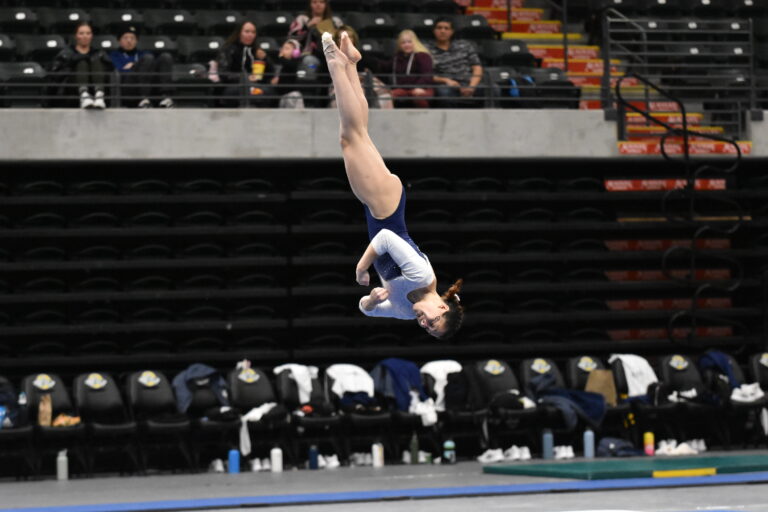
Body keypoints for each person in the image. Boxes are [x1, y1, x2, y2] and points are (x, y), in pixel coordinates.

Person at [320, 30, 464, 339]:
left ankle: (350, 63)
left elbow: (365, 309)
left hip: (378, 207)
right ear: (442, 308)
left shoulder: (401, 310)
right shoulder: (422, 276)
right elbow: (385, 239)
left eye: (427, 330)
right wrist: (361, 269)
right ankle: (335, 63)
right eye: (432, 323)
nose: (423, 324)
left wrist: (371, 300)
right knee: (350, 137)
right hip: (386, 208)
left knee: (358, 132)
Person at [109, 25, 174, 108]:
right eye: (125, 38)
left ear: (136, 41)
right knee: (148, 58)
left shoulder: (143, 53)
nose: (129, 41)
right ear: (119, 40)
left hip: (148, 85)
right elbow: (120, 72)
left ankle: (166, 97)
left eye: (132, 38)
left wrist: (134, 65)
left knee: (165, 57)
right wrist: (137, 66)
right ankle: (144, 98)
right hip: (129, 87)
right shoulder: (114, 55)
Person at [328, 26, 392, 109]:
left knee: (384, 94)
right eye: (341, 38)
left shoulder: (362, 55)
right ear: (336, 40)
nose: (345, 40)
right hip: (340, 82)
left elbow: (370, 71)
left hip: (362, 81)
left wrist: (364, 75)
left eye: (349, 37)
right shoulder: (331, 56)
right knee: (345, 95)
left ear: (354, 39)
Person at [425, 17, 484, 107]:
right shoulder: (426, 49)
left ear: (452, 32)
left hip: (469, 83)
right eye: (439, 28)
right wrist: (446, 80)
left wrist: (472, 86)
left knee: (493, 89)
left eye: (446, 28)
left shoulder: (465, 45)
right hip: (446, 85)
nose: (442, 31)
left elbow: (477, 67)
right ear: (434, 31)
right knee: (443, 92)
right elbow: (426, 74)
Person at [216, 21, 276, 107]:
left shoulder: (257, 51)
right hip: (235, 85)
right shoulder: (228, 49)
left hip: (257, 86)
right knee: (244, 91)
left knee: (268, 91)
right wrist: (245, 78)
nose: (250, 35)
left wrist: (265, 59)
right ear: (239, 33)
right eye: (247, 32)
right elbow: (223, 73)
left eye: (253, 32)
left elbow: (271, 73)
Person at [51, 21, 110, 109]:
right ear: (76, 36)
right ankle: (84, 95)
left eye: (88, 33)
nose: (85, 36)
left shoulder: (99, 53)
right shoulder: (66, 53)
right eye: (81, 33)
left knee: (96, 62)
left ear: (92, 36)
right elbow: (56, 74)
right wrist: (71, 64)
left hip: (94, 89)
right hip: (71, 90)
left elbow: (110, 70)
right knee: (82, 63)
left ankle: (99, 95)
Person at [387, 29, 434, 109]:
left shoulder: (423, 56)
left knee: (418, 97)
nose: (406, 45)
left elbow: (427, 75)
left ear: (414, 42)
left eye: (409, 42)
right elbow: (386, 67)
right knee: (387, 96)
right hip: (404, 89)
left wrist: (419, 87)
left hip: (423, 88)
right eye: (403, 42)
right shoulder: (397, 58)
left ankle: (426, 119)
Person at [271, 38, 305, 108]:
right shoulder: (282, 64)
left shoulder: (296, 62)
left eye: (287, 48)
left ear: (295, 52)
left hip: (292, 95)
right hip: (283, 96)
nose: (283, 50)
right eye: (283, 48)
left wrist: (281, 57)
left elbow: (289, 65)